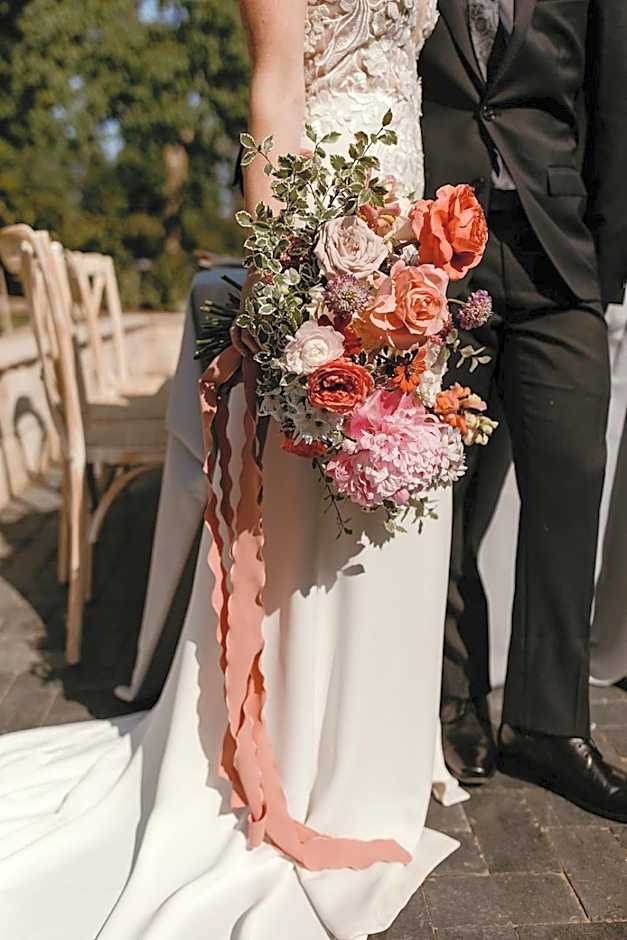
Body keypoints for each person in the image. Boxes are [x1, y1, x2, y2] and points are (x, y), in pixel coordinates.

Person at [0, 3, 468, 938]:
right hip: (324, 212)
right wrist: (281, 280)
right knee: (310, 499)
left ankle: (379, 743)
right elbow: (276, 83)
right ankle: (301, 754)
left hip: (409, 216)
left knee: (394, 478)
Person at [419, 0, 627, 820]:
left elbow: (613, 105)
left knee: (571, 482)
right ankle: (454, 703)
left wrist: (602, 270)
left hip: (553, 252)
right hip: (432, 251)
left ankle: (547, 724)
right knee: (444, 493)